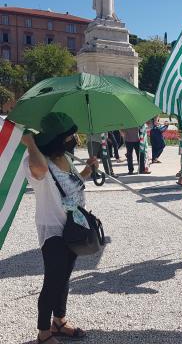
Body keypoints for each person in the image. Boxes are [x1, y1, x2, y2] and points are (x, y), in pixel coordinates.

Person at [21, 112, 98, 344]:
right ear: (55, 139)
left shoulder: (65, 156)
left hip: (74, 228)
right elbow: (42, 171)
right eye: (67, 136)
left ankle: (59, 321)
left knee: (64, 277)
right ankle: (43, 332)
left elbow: (73, 186)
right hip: (53, 229)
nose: (72, 139)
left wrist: (87, 171)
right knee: (53, 280)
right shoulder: (34, 160)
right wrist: (31, 143)